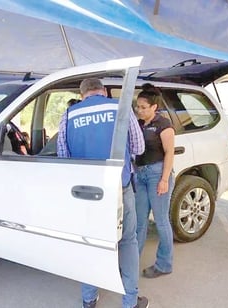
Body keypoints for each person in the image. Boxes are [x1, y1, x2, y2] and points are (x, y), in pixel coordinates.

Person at [57, 78, 149, 308]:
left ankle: (89, 299)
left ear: (82, 95)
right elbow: (139, 148)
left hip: (86, 193)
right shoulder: (121, 107)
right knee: (127, 241)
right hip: (120, 187)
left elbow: (63, 157)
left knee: (89, 242)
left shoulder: (69, 115)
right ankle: (130, 301)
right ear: (104, 91)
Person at [134, 83, 175, 278]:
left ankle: (164, 264)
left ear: (154, 107)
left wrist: (164, 179)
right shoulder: (137, 123)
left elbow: (169, 153)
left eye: (143, 107)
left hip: (157, 174)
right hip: (140, 175)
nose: (139, 110)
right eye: (137, 106)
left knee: (160, 221)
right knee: (139, 222)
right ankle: (131, 261)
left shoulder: (163, 124)